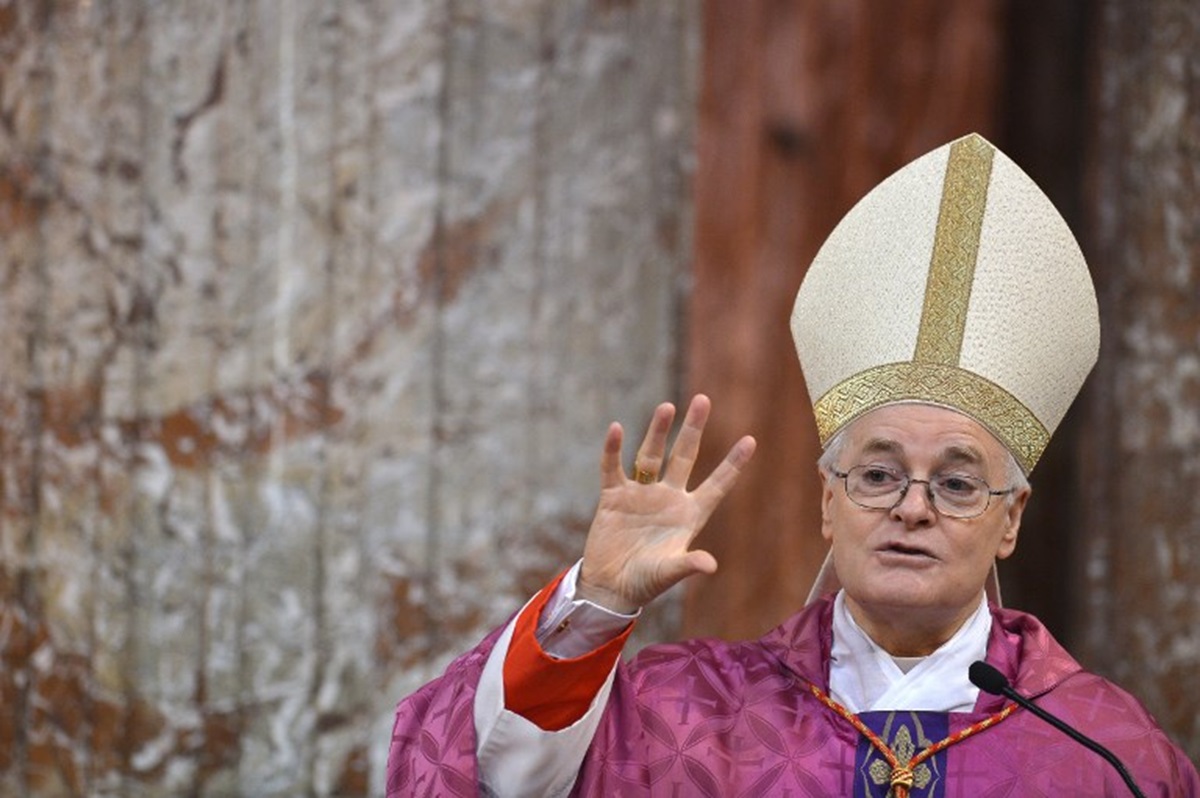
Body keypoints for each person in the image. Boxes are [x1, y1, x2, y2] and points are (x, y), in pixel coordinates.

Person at [386, 134, 1200, 797]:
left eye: (956, 483)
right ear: (827, 503)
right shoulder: (681, 715)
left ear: (1011, 518)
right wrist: (595, 604)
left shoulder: (1106, 754)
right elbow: (477, 771)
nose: (911, 508)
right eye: (878, 474)